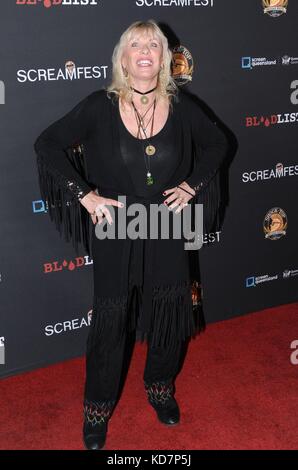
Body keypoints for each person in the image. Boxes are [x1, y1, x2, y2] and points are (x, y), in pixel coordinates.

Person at [34, 19, 228, 450]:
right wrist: (85, 196)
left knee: (168, 310)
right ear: (123, 58)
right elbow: (47, 145)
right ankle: (97, 408)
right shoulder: (98, 106)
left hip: (166, 220)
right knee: (110, 318)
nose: (145, 52)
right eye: (135, 45)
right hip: (117, 221)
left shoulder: (182, 107)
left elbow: (218, 145)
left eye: (153, 46)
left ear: (164, 59)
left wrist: (192, 185)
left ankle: (160, 387)